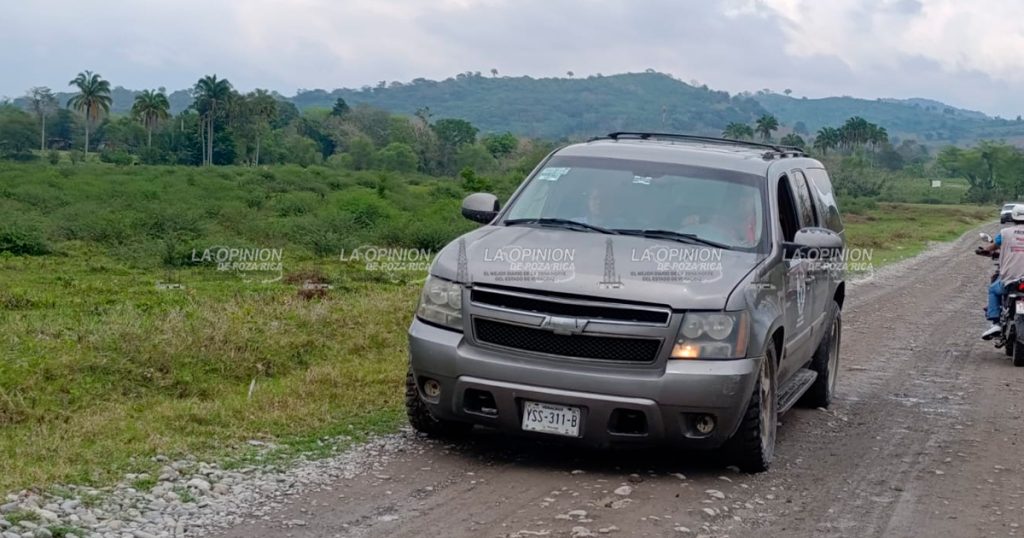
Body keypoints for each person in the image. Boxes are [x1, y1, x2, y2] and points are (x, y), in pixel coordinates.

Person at [981, 205, 1024, 339]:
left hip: (1011, 280)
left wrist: (984, 250)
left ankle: (996, 322)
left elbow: (993, 247)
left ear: (1013, 217)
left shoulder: (1005, 233)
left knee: (993, 290)